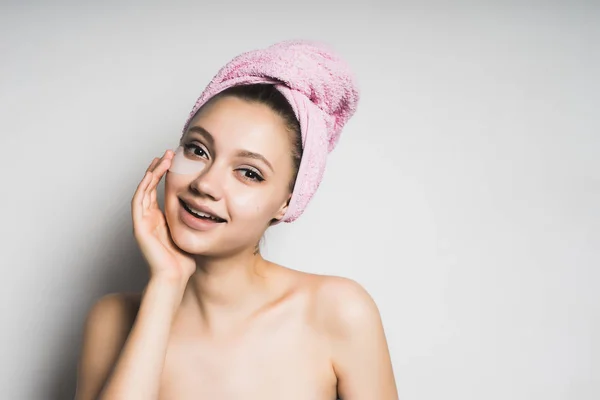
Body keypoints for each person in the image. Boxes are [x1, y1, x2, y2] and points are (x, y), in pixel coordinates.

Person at [75, 40, 398, 400]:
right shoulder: (113, 320)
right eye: (198, 150)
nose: (205, 184)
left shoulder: (339, 311)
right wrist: (166, 284)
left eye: (249, 173)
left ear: (287, 202)